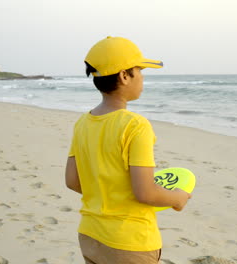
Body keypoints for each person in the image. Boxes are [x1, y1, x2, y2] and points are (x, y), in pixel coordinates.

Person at [65, 36, 192, 264]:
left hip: (90, 234)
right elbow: (146, 193)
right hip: (129, 241)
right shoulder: (135, 125)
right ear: (125, 76)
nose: (143, 78)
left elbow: (73, 181)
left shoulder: (82, 123)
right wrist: (177, 198)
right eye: (140, 71)